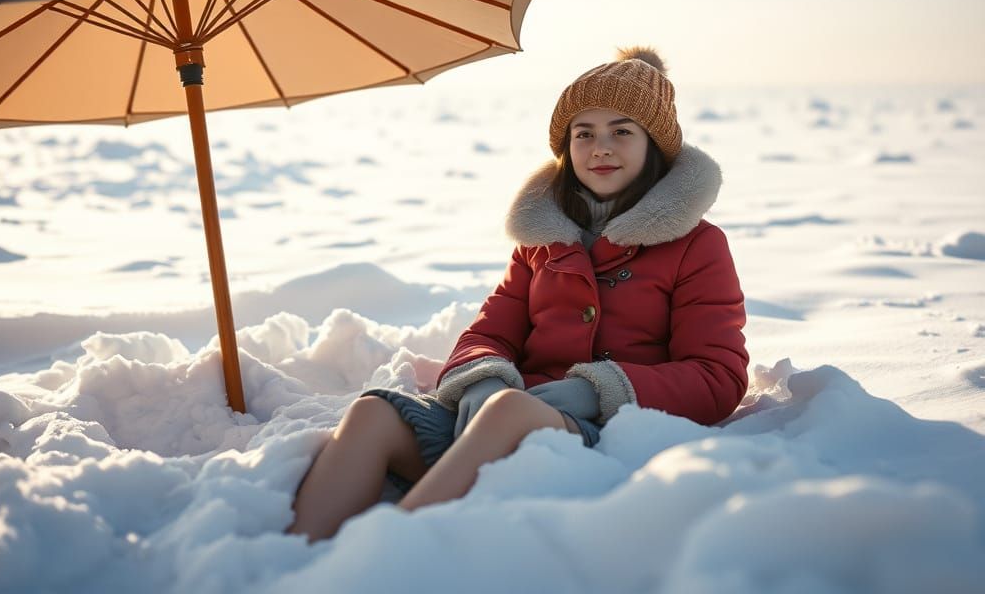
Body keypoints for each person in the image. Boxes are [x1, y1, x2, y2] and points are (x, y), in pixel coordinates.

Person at [287, 45, 748, 541]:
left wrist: (595, 391)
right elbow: (489, 332)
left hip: (606, 436)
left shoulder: (698, 245)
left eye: (622, 131)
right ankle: (295, 561)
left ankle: (374, 560)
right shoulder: (544, 241)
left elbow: (718, 376)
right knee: (372, 413)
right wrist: (481, 379)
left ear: (655, 145)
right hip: (500, 424)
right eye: (584, 133)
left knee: (509, 411)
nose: (600, 148)